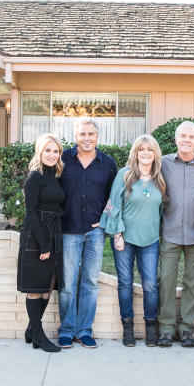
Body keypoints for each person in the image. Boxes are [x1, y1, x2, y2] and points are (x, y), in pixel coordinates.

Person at [100, 134, 166, 347]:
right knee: (125, 283)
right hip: (125, 239)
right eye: (141, 149)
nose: (145, 153)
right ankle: (127, 328)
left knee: (150, 285)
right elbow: (113, 205)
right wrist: (117, 235)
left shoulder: (160, 178)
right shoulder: (125, 174)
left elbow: (162, 209)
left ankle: (150, 328)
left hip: (150, 240)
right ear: (135, 153)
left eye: (149, 149)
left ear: (155, 153)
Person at [58, 117, 118, 349]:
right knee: (67, 283)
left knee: (91, 282)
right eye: (82, 134)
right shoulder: (63, 159)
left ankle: (84, 330)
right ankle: (66, 330)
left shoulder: (108, 163)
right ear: (75, 136)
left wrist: (104, 220)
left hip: (95, 232)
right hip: (68, 230)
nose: (86, 138)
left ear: (97, 137)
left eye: (90, 134)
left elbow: (114, 198)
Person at [157, 120, 194, 347]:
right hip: (169, 232)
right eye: (182, 136)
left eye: (191, 137)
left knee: (193, 282)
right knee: (167, 281)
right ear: (176, 139)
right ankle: (166, 329)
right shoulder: (163, 164)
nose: (186, 140)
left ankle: (187, 328)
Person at [17, 133, 66, 353]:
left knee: (47, 287)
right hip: (36, 237)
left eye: (55, 151)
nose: (52, 155)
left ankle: (32, 329)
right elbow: (30, 213)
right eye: (48, 150)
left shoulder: (54, 174)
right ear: (39, 151)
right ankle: (38, 333)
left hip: (53, 232)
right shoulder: (34, 177)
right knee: (35, 288)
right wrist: (44, 244)